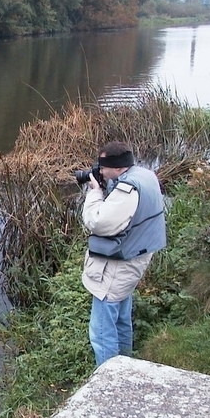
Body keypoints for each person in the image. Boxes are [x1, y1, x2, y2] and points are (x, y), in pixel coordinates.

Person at [80, 141, 167, 367]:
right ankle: (126, 364)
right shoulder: (145, 176)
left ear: (117, 168)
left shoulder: (127, 190)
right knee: (120, 318)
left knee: (101, 332)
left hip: (119, 265)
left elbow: (97, 222)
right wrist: (110, 186)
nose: (100, 171)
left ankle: (108, 378)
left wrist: (96, 193)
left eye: (103, 167)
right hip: (136, 256)